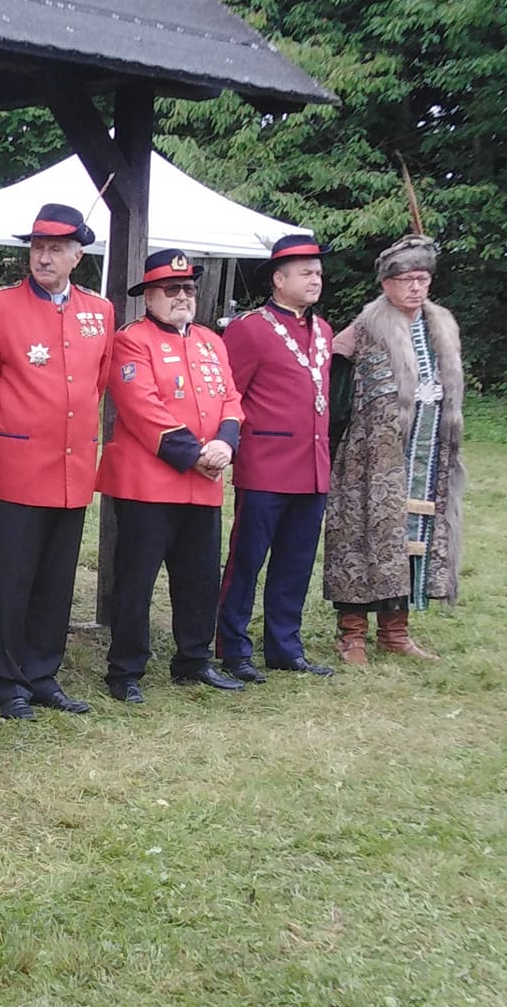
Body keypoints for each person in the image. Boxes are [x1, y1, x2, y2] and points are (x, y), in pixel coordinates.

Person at [0, 201, 114, 720]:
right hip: (20, 465)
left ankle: (43, 674)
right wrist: (7, 433)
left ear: (77, 256)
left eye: (56, 249)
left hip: (73, 468)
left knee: (56, 579)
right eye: (38, 248)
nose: (44, 258)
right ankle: (6, 682)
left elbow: (97, 383)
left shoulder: (99, 311)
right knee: (12, 579)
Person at [95, 249, 246, 702]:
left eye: (188, 289)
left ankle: (194, 660)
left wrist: (226, 443)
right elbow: (141, 407)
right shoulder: (132, 340)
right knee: (136, 580)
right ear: (149, 297)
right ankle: (125, 670)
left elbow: (231, 398)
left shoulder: (211, 340)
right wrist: (195, 454)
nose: (182, 296)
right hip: (149, 483)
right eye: (171, 289)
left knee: (200, 577)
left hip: (203, 481)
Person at [322, 231, 465, 662]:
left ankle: (395, 631)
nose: (416, 288)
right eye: (406, 280)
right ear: (387, 283)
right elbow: (334, 385)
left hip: (426, 453)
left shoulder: (440, 326)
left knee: (412, 536)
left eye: (423, 279)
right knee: (362, 537)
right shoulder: (364, 328)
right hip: (370, 456)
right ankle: (352, 633)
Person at [215, 231, 337, 682]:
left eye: (318, 273)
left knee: (296, 562)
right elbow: (230, 396)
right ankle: (232, 647)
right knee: (246, 560)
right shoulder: (249, 329)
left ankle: (285, 646)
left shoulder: (323, 330)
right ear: (279, 280)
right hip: (266, 465)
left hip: (312, 466)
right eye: (305, 273)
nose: (315, 280)